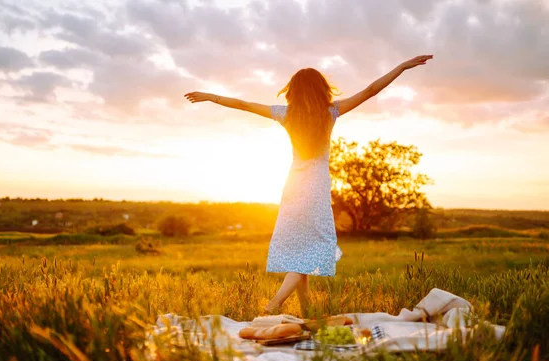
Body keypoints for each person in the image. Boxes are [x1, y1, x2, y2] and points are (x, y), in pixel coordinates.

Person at [184, 54, 433, 317]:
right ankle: (275, 303)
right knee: (314, 251)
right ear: (321, 89)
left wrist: (211, 96)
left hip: (293, 186)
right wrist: (402, 67)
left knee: (304, 250)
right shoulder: (331, 112)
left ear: (294, 92)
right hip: (315, 188)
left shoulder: (285, 113)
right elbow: (371, 90)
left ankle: (308, 312)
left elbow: (244, 104)